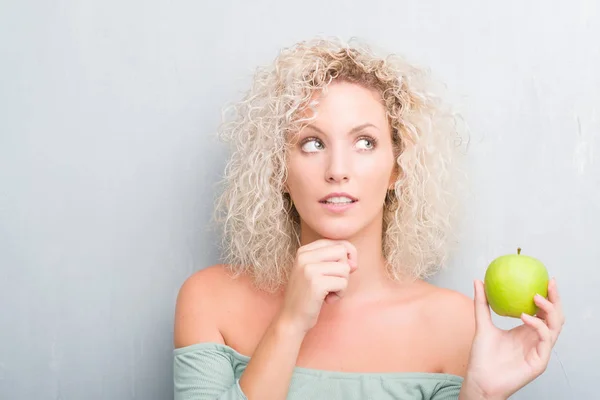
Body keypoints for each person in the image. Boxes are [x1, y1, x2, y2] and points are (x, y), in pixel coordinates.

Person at [173, 37, 565, 400]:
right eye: (312, 143)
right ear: (279, 171)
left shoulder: (456, 325)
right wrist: (289, 324)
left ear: (397, 169)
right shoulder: (210, 300)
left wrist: (480, 394)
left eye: (365, 142)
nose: (338, 169)